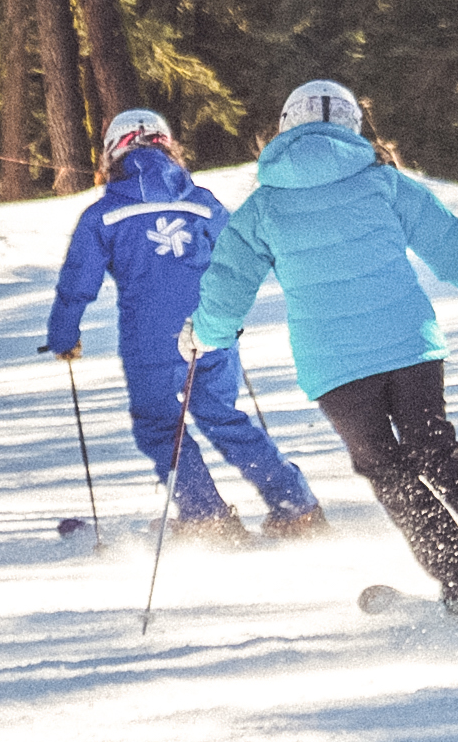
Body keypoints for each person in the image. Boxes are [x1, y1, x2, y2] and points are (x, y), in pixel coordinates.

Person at [182, 78, 458, 615]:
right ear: (352, 128)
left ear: (285, 130)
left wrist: (204, 335)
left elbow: (226, 291)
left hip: (336, 367)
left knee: (389, 471)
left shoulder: (263, 208)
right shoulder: (384, 184)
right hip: (410, 348)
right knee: (438, 453)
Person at [43, 107, 326, 542]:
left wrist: (64, 336)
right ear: (168, 145)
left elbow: (78, 282)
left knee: (160, 424)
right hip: (211, 329)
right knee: (224, 417)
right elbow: (239, 257)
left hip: (150, 339)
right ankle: (295, 505)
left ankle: (205, 514)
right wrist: (230, 314)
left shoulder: (105, 214)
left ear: (112, 155)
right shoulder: (203, 202)